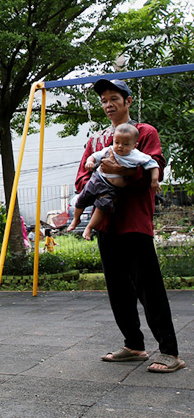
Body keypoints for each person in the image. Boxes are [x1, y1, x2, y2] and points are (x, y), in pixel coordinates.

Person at [75, 78, 184, 373]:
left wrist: (118, 173)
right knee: (117, 288)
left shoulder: (144, 133)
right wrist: (103, 179)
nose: (109, 105)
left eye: (114, 99)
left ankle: (169, 351)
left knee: (149, 286)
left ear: (128, 101)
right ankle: (134, 345)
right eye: (104, 101)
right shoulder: (97, 141)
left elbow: (153, 166)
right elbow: (81, 180)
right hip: (106, 224)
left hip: (134, 222)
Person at [68, 122, 160, 241]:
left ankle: (89, 227)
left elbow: (154, 165)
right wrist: (89, 162)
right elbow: (93, 156)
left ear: (134, 145)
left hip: (112, 189)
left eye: (125, 144)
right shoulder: (108, 149)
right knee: (82, 199)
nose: (120, 146)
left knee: (101, 208)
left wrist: (154, 180)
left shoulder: (137, 156)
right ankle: (76, 219)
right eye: (117, 142)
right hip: (98, 180)